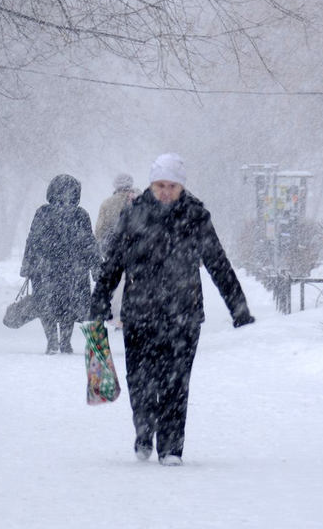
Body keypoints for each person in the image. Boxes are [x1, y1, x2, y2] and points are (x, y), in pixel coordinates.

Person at [89, 153, 255, 466]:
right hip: (140, 314)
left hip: (184, 314)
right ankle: (143, 430)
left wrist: (239, 308)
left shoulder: (195, 216)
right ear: (151, 184)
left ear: (182, 186)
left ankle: (171, 448)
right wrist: (99, 303)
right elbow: (113, 264)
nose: (166, 191)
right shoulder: (134, 215)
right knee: (139, 379)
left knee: (176, 383)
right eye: (160, 185)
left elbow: (217, 262)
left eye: (172, 186)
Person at [21, 174, 100, 355]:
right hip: (74, 269)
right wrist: (95, 267)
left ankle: (52, 341)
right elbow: (89, 243)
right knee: (69, 307)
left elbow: (32, 240)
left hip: (46, 268)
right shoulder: (80, 214)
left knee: (47, 305)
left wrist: (28, 265)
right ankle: (65, 342)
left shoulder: (43, 212)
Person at [94, 173, 139, 330]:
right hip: (137, 249)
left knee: (116, 284)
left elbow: (99, 230)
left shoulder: (108, 204)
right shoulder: (141, 200)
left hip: (114, 250)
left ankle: (117, 315)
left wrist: (104, 248)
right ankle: (131, 315)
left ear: (115, 186)